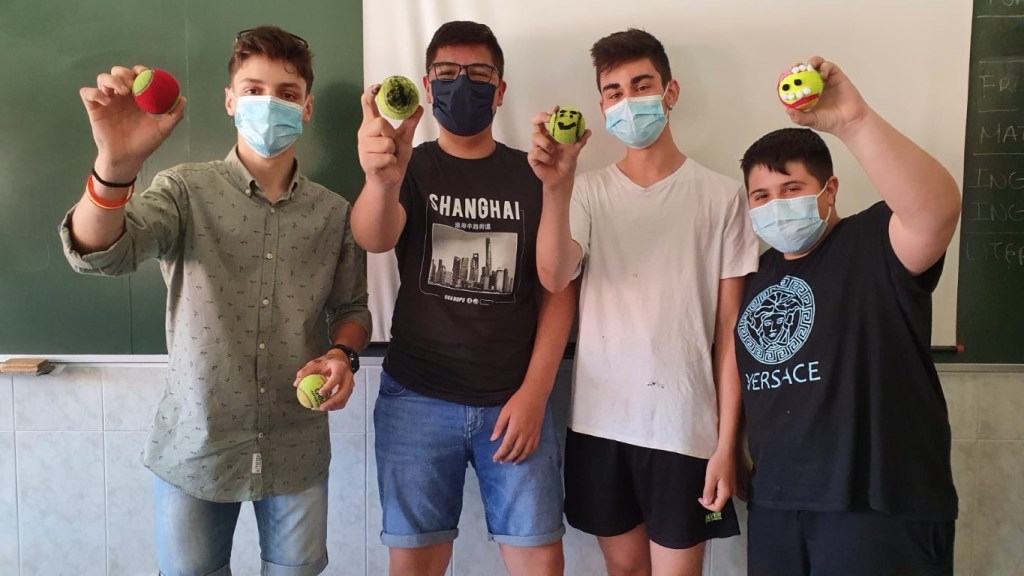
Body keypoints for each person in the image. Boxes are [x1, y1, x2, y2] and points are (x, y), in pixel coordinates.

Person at [60, 26, 371, 576]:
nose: (269, 103)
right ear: (230, 101)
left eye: (287, 93)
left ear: (307, 108)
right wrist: (114, 166)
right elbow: (101, 252)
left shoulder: (334, 213)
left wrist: (342, 355)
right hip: (195, 446)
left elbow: (352, 310)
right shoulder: (184, 190)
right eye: (253, 90)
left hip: (296, 445)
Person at [529, 28, 758, 576]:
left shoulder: (723, 196)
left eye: (642, 85)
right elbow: (554, 275)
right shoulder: (585, 191)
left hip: (684, 428)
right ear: (601, 107)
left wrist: (727, 443)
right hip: (600, 425)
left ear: (670, 91)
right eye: (614, 91)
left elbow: (731, 332)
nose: (628, 100)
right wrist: (556, 187)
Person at [352, 20, 575, 576]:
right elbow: (373, 238)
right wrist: (382, 180)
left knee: (540, 561)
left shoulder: (535, 173)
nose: (463, 83)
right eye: (448, 73)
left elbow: (558, 291)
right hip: (415, 398)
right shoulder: (410, 165)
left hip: (514, 400)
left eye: (479, 74)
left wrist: (535, 394)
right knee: (414, 565)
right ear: (428, 88)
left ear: (500, 91)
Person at [735, 56, 960, 575]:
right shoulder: (754, 276)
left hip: (879, 506)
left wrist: (853, 121)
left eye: (791, 189)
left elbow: (937, 210)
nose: (775, 205)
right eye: (761, 196)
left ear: (829, 190)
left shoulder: (874, 242)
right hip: (777, 504)